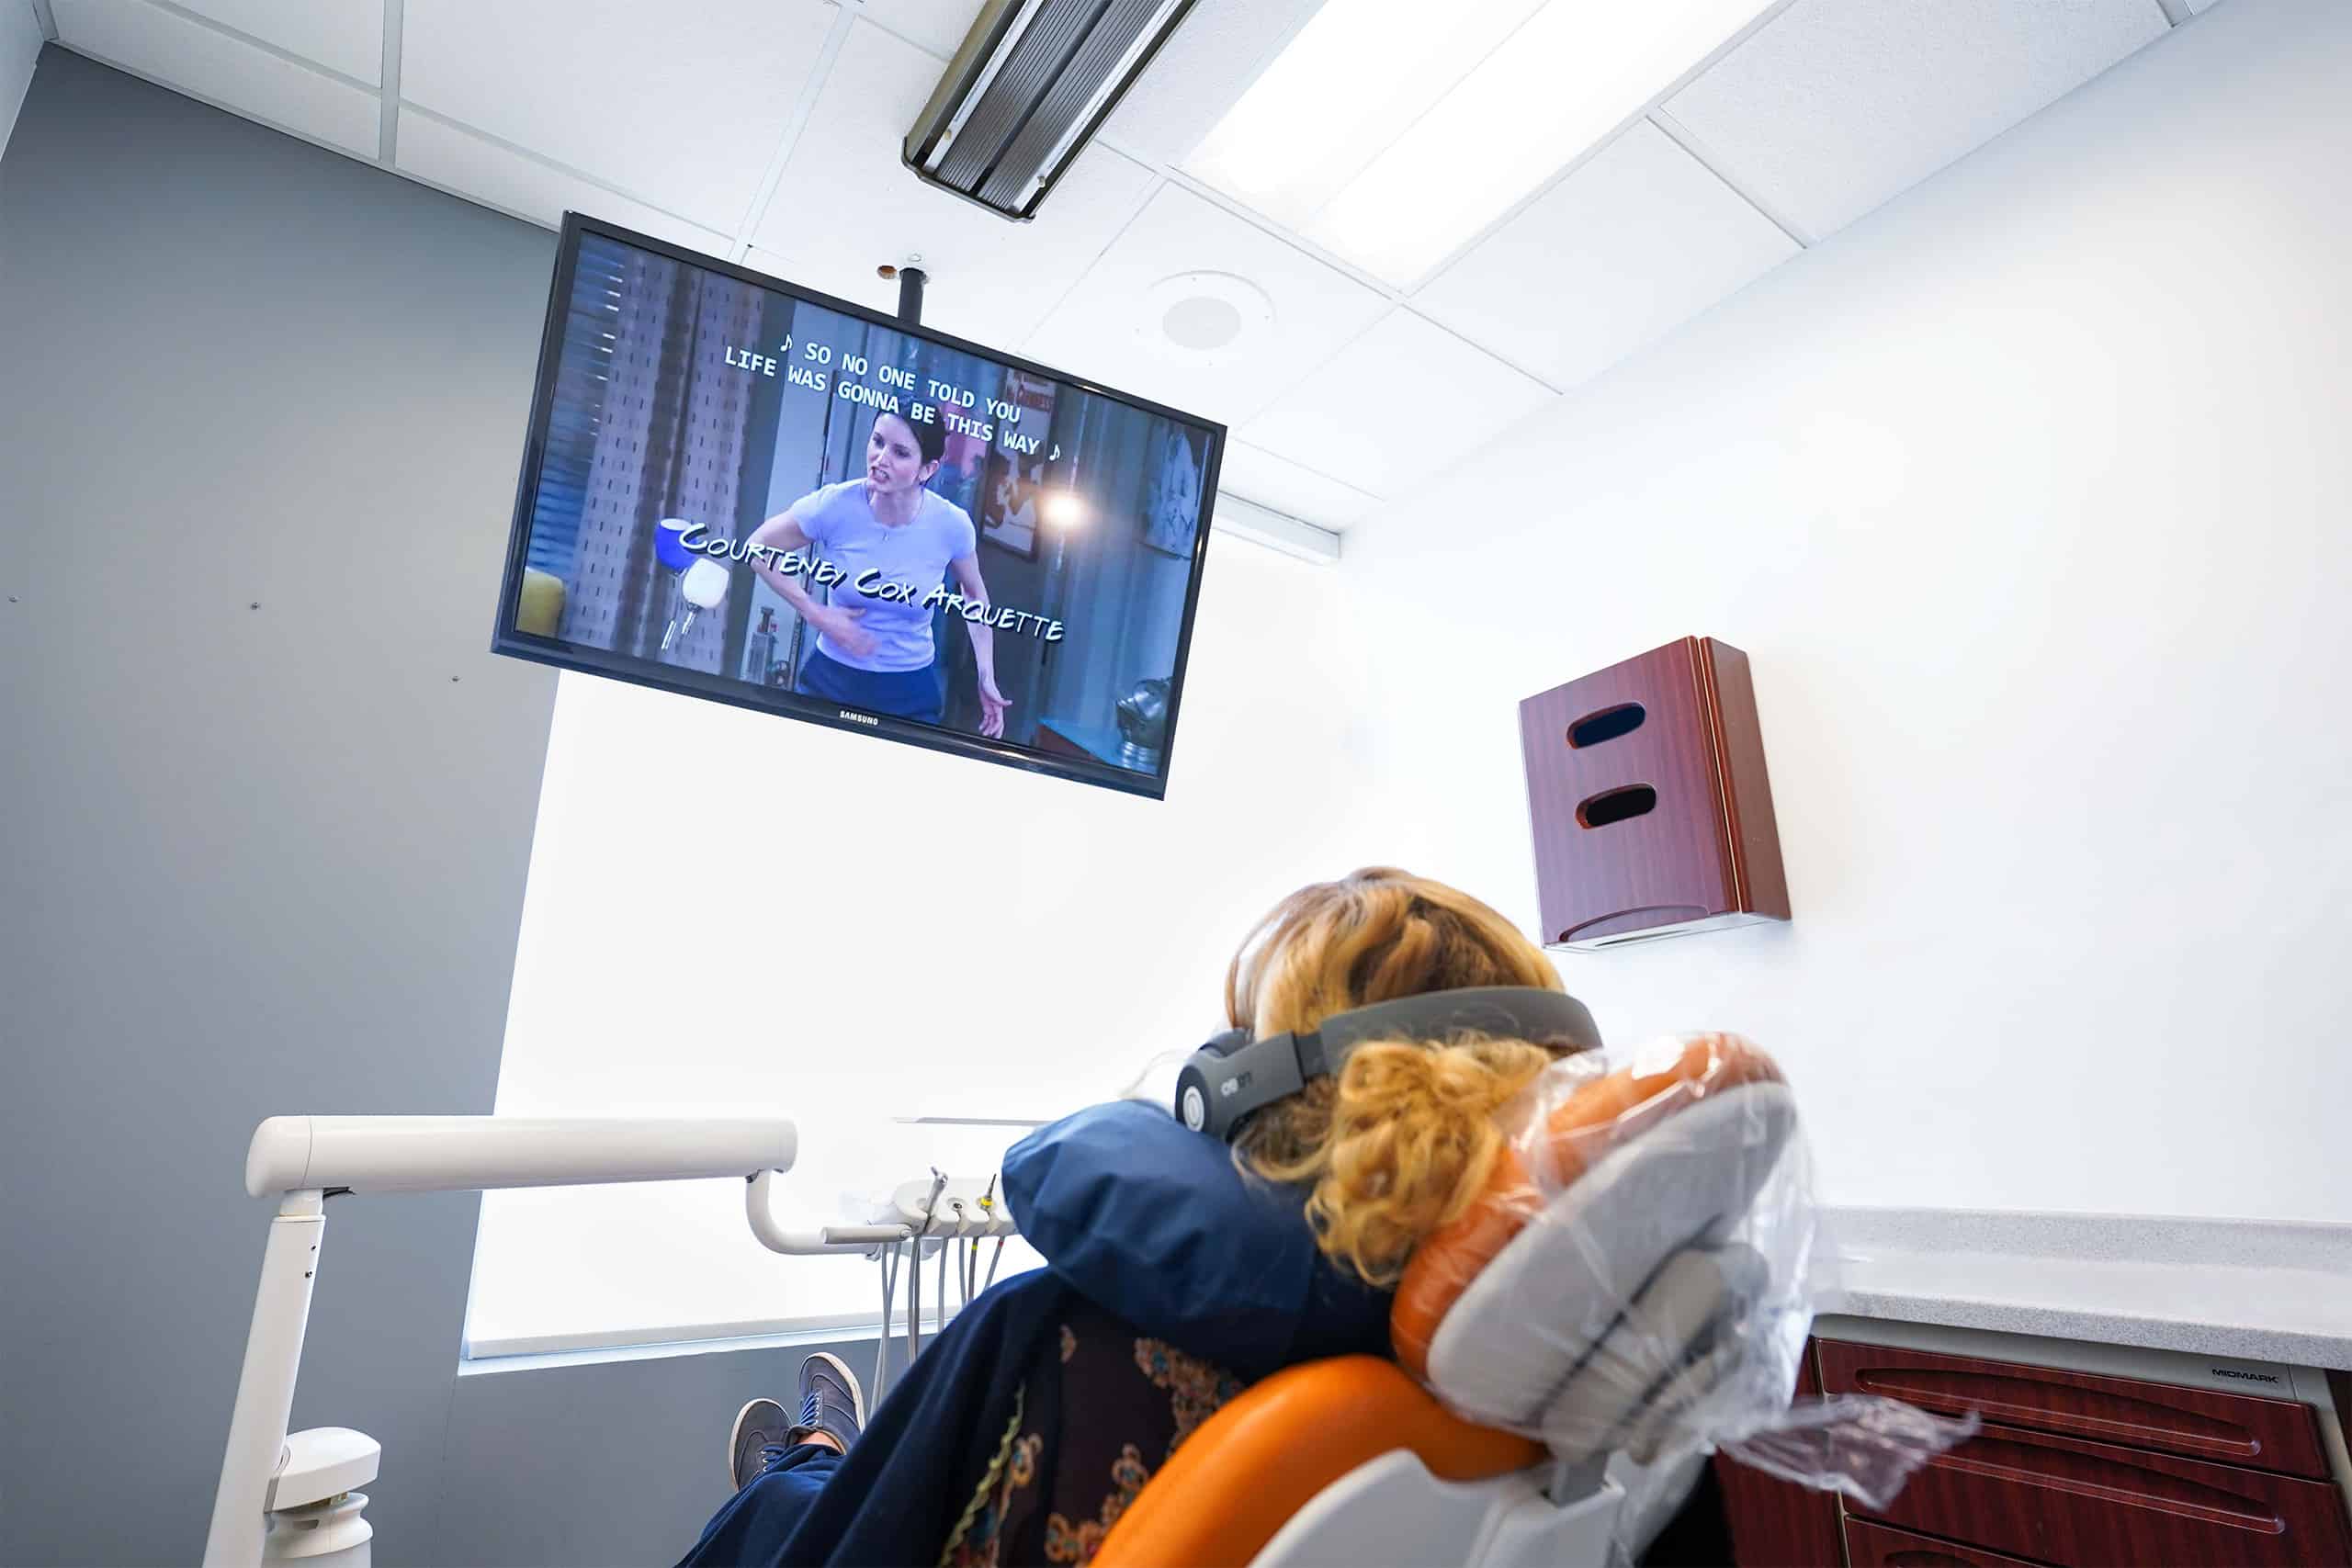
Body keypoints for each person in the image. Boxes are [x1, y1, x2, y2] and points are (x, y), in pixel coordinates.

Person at [679, 869, 1639, 1568]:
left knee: (782, 1509)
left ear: (1240, 1089)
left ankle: (806, 1458)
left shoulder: (1085, 1337)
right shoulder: (1558, 1345)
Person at [747, 410, 1009, 736]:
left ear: (927, 470)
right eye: (878, 442)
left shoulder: (951, 525)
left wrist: (986, 673)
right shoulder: (835, 505)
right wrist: (815, 612)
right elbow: (757, 548)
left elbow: (973, 594)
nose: (880, 458)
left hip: (909, 689)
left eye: (900, 452)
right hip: (830, 680)